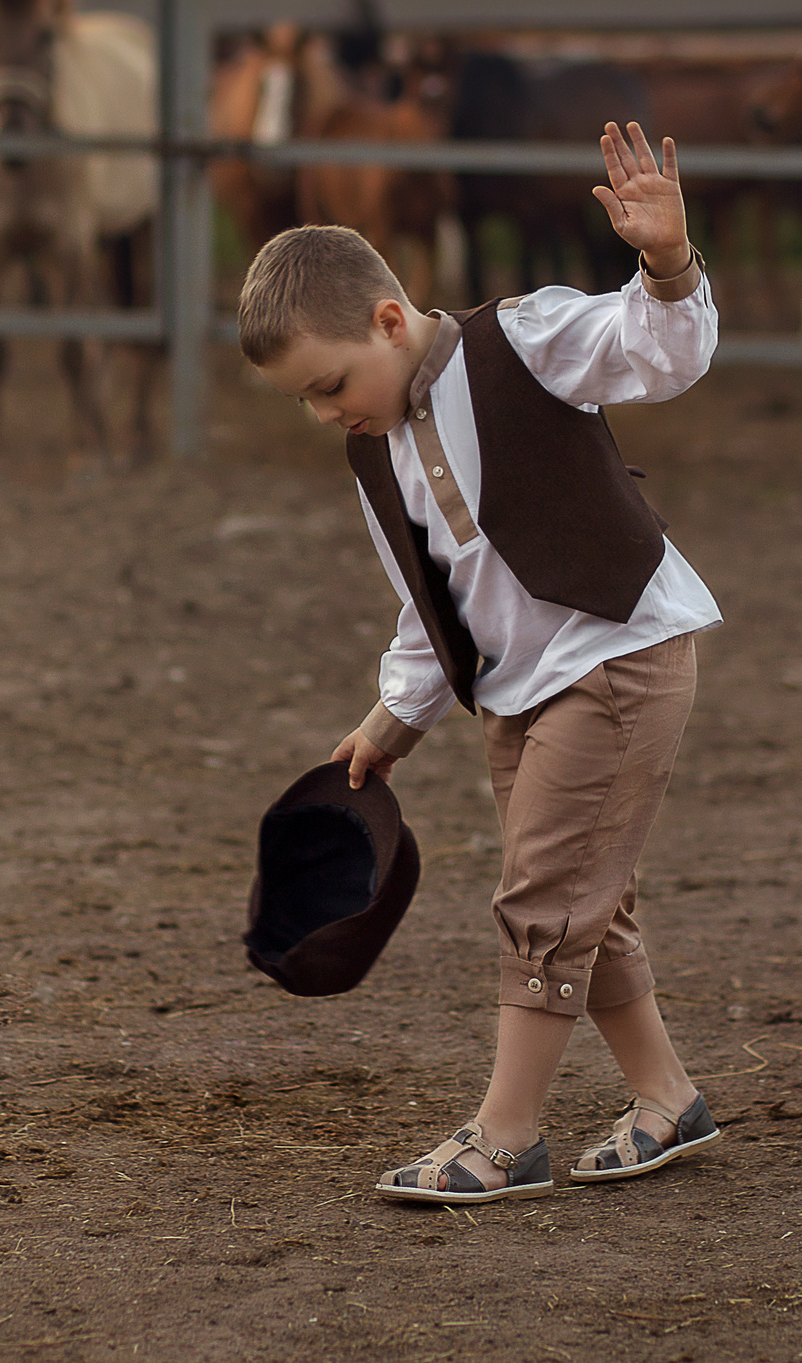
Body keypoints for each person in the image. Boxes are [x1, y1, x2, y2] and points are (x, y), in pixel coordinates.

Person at [237, 120, 723, 1204]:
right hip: (517, 687)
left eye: (329, 383)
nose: (325, 413)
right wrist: (390, 718)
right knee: (587, 904)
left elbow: (664, 351)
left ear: (388, 317)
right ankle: (665, 1098)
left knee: (542, 896)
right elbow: (428, 598)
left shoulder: (526, 339)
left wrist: (666, 262)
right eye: (308, 402)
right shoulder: (377, 451)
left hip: (618, 652)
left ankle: (506, 1135)